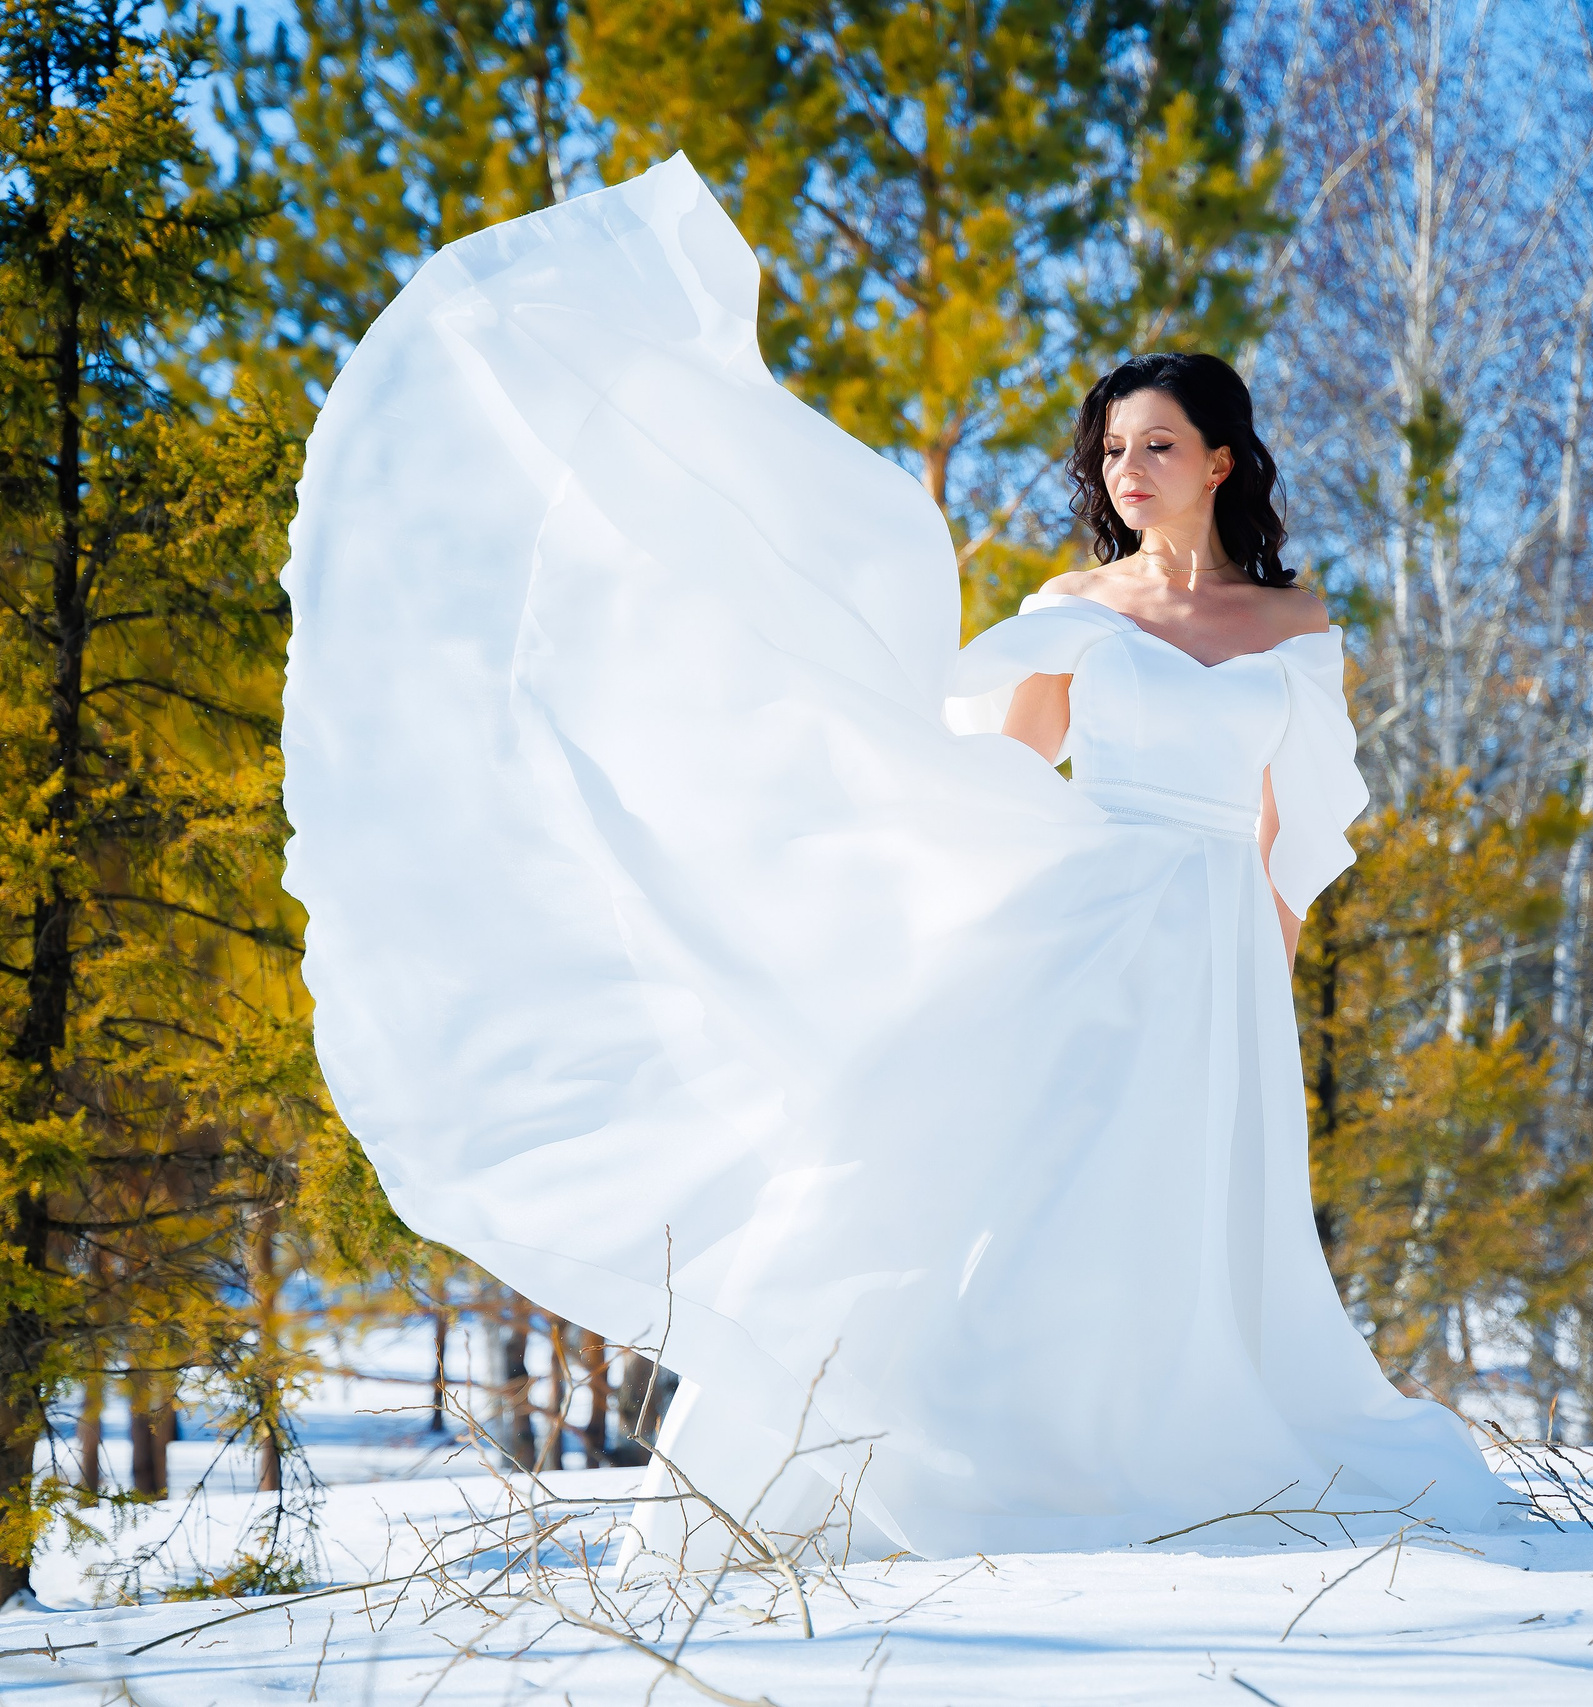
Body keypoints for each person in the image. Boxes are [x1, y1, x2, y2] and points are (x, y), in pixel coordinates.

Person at [280, 154, 1515, 1562]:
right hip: (1089, 922)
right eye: (1113, 451)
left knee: (1183, 1222)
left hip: (1221, 952)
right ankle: (972, 1451)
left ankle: (1170, 1449)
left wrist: (1258, 994)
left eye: (1158, 446)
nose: (1128, 472)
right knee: (1020, 1188)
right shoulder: (1074, 608)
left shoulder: (1296, 630)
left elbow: (1295, 831)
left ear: (1223, 460)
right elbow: (994, 770)